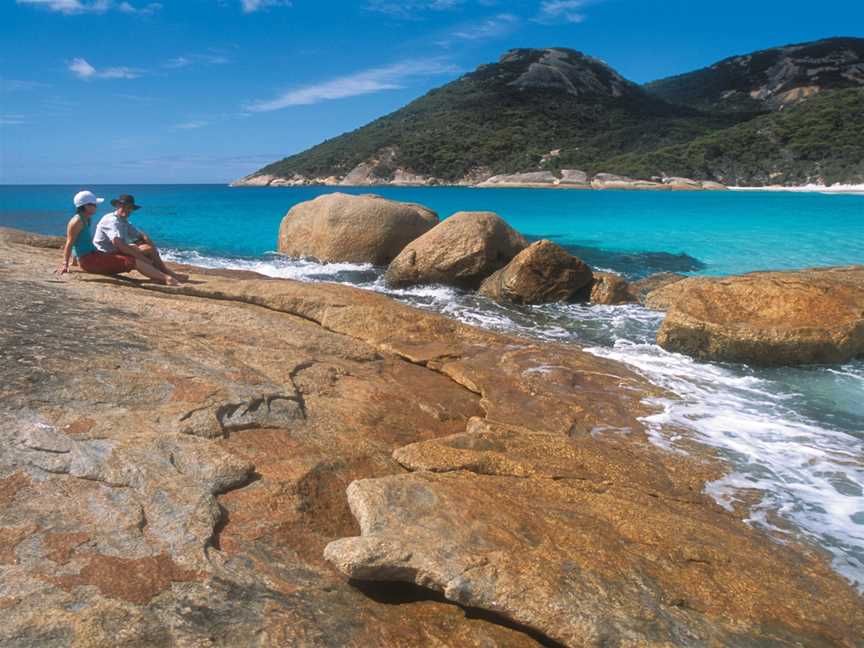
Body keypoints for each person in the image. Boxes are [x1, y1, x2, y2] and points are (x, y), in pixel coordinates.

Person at [57, 190, 179, 285]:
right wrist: (65, 264)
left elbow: (79, 240)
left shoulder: (85, 219)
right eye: (94, 204)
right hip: (90, 260)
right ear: (86, 206)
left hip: (93, 255)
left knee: (137, 254)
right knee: (133, 261)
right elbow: (70, 241)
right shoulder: (77, 221)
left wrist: (75, 260)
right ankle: (166, 278)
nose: (96, 207)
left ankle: (164, 274)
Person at [92, 194, 187, 284]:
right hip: (106, 255)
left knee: (147, 248)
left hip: (114, 250)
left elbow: (139, 235)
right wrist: (141, 257)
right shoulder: (112, 221)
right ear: (117, 206)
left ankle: (163, 273)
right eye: (123, 206)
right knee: (144, 251)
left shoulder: (123, 220)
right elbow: (119, 244)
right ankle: (165, 275)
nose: (126, 210)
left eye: (129, 208)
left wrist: (150, 243)